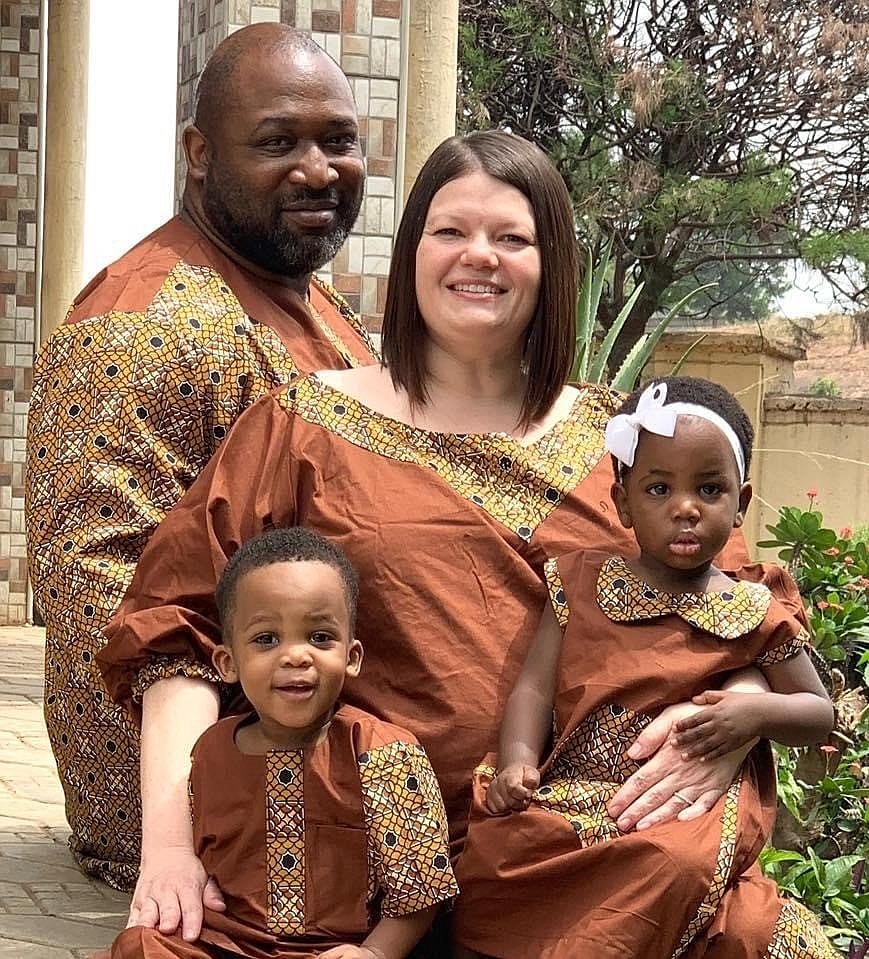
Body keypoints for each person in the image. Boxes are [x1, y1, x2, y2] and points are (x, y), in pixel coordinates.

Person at [98, 131, 807, 951]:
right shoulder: (301, 427)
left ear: (554, 266)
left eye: (513, 237)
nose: (481, 257)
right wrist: (174, 848)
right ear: (410, 253)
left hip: (583, 856)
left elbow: (747, 613)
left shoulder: (635, 445)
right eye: (450, 232)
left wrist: (725, 727)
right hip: (349, 870)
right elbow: (176, 635)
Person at [25, 22, 376, 894]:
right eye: (277, 141)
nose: (317, 169)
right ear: (199, 153)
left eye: (338, 140)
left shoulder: (319, 309)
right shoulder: (142, 327)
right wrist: (178, 825)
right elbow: (98, 599)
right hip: (218, 788)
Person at [451, 376, 837, 958]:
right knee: (491, 863)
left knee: (674, 864)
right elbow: (532, 688)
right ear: (623, 501)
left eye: (709, 490)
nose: (685, 509)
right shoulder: (579, 582)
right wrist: (518, 762)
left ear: (742, 504)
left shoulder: (755, 610)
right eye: (659, 489)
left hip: (685, 808)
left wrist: (755, 713)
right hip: (577, 791)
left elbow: (818, 713)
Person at [109, 527, 458, 959]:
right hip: (229, 943)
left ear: (351, 658)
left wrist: (375, 954)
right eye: (267, 639)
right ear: (228, 663)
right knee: (139, 947)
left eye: (319, 637)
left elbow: (423, 891)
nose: (296, 656)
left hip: (335, 951)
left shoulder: (383, 753)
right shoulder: (211, 752)